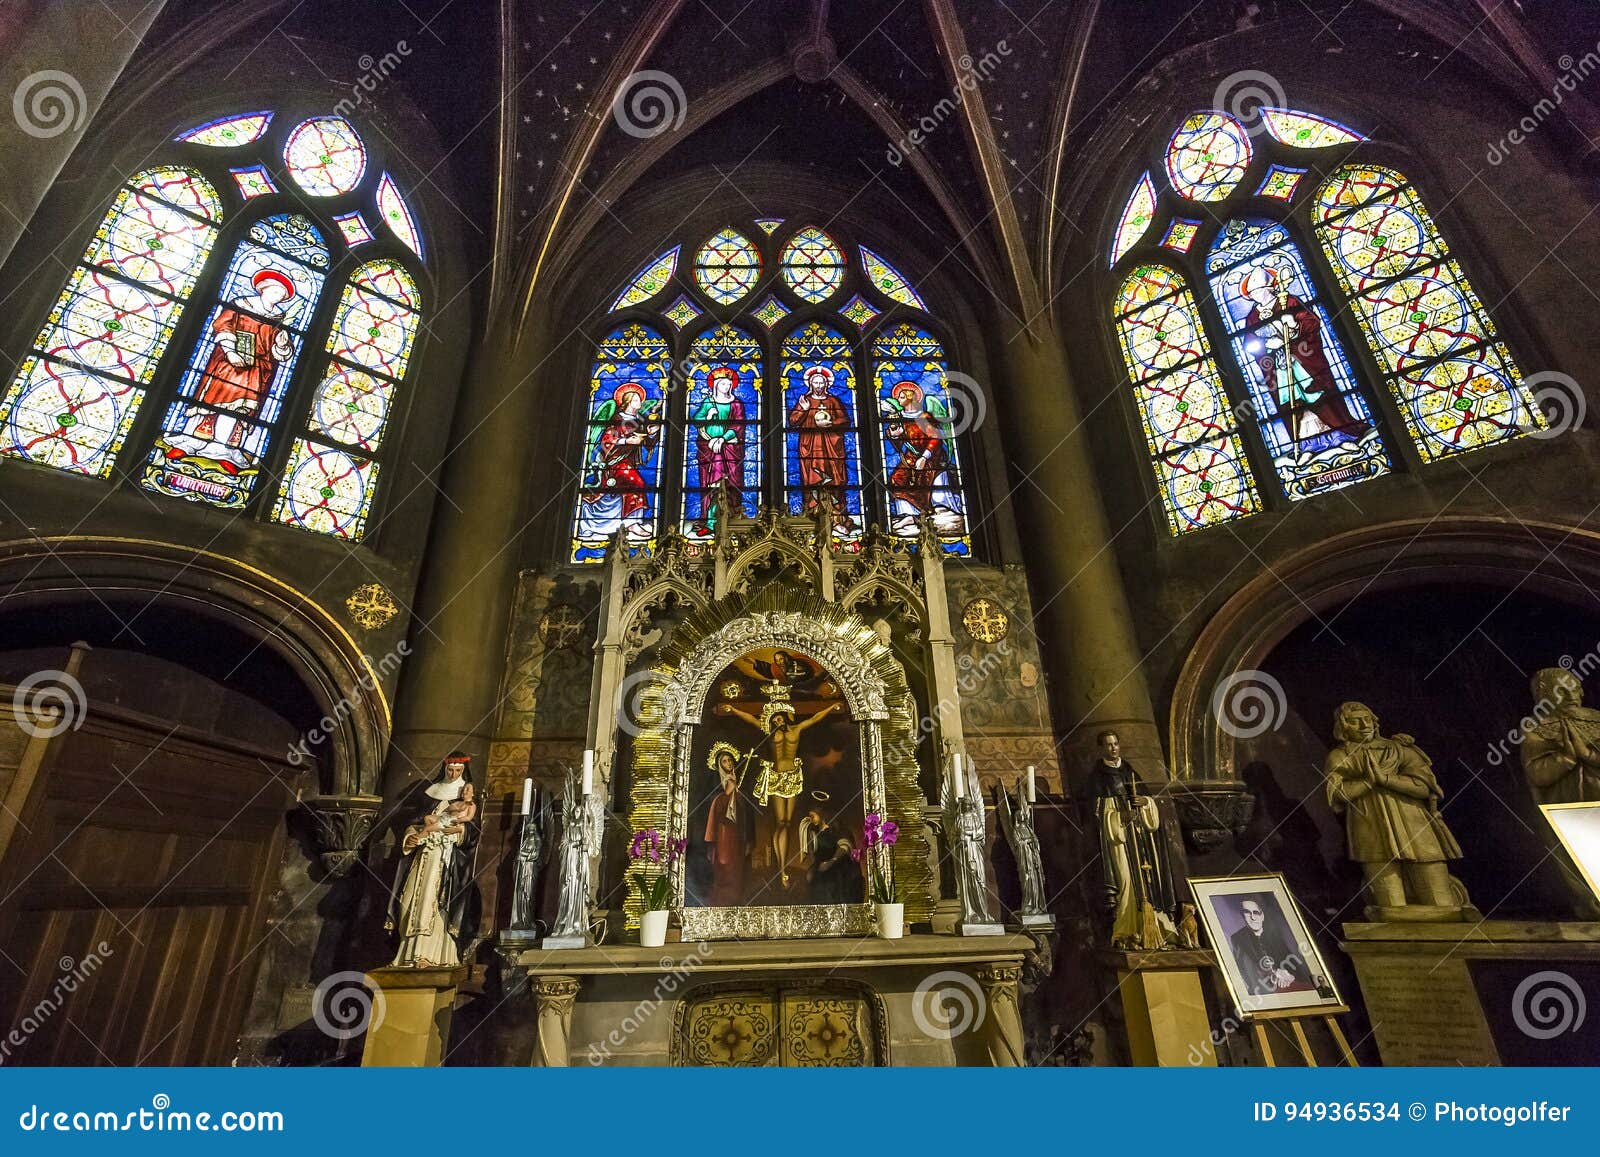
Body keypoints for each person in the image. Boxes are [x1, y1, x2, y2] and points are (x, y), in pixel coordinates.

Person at [1324, 702, 1465, 912]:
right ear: (1343, 727)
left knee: (1440, 901)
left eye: (1368, 719)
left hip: (1417, 829)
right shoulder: (1339, 756)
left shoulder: (1399, 749)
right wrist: (1368, 783)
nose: (1364, 725)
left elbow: (1424, 787)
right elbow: (1336, 794)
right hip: (1371, 831)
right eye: (1355, 721)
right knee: (1391, 906)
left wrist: (1386, 780)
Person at [169, 267, 298, 471]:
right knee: (211, 399)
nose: (278, 298)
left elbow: (277, 351)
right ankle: (191, 441)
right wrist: (231, 352)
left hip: (256, 370)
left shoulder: (278, 319)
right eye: (276, 292)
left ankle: (223, 449)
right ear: (263, 288)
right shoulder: (240, 305)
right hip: (228, 362)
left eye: (282, 296)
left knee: (241, 409)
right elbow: (222, 325)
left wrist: (282, 344)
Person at [715, 699, 842, 888]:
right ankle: (782, 869)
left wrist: (831, 707)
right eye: (774, 721)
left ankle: (782, 867)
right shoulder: (768, 731)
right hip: (776, 778)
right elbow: (751, 719)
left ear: (785, 717)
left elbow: (815, 718)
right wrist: (733, 709)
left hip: (792, 777)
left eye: (779, 719)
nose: (777, 723)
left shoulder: (797, 729)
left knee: (787, 823)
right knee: (780, 822)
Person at [1237, 263, 1365, 448]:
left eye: (1257, 292)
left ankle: (1341, 435)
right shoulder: (1253, 317)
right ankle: (1306, 445)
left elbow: (1312, 322)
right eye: (1252, 294)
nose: (1255, 297)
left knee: (1318, 395)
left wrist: (1295, 327)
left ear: (1269, 288)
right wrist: (1266, 345)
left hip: (1304, 362)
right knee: (1293, 403)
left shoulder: (1289, 302)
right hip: (1279, 368)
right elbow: (1249, 344)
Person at [387, 753, 479, 967]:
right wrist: (412, 838)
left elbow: (471, 830)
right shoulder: (430, 793)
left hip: (445, 860)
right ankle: (407, 952)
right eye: (450, 769)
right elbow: (417, 822)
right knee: (412, 898)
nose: (454, 774)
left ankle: (432, 953)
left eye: (458, 770)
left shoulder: (468, 799)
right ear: (444, 768)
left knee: (435, 899)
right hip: (423, 857)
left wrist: (455, 833)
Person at [1091, 730, 1175, 948]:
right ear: (1101, 748)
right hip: (1119, 841)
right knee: (1126, 880)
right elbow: (1096, 817)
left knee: (1148, 880)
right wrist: (1119, 817)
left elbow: (1148, 802)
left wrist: (1144, 802)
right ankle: (1127, 929)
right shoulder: (1097, 777)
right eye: (1108, 745)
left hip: (1140, 839)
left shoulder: (1129, 771)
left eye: (1116, 743)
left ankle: (1154, 926)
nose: (1113, 748)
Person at [788, 365, 852, 522]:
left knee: (833, 478)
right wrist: (804, 410)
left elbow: (845, 420)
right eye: (815, 383)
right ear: (810, 384)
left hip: (831, 447)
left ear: (826, 384)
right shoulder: (805, 401)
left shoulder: (833, 401)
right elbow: (793, 421)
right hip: (811, 447)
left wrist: (831, 423)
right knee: (812, 477)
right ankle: (812, 512)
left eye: (821, 383)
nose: (818, 386)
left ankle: (836, 514)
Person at [692, 367, 745, 535]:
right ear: (715, 385)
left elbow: (738, 424)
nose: (727, 386)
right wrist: (708, 415)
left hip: (729, 449)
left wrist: (723, 439)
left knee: (730, 483)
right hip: (709, 449)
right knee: (710, 484)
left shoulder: (736, 403)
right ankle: (709, 521)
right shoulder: (708, 402)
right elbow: (696, 419)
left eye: (729, 384)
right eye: (723, 384)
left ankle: (732, 519)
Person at [702, 742, 755, 906]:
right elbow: (712, 809)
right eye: (725, 761)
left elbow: (748, 812)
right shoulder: (715, 785)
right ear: (719, 764)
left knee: (737, 868)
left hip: (738, 833)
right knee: (724, 865)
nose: (729, 763)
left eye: (730, 760)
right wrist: (726, 793)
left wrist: (750, 839)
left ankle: (736, 900)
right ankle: (723, 900)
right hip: (722, 833)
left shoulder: (741, 783)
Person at [1227, 895, 1312, 997]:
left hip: (1291, 986)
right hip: (1264, 992)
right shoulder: (1238, 938)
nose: (1253, 917)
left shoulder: (1277, 933)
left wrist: (1288, 975)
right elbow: (1245, 972)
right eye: (1247, 912)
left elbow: (1295, 966)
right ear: (1242, 915)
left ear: (1262, 915)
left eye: (1256, 912)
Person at [800, 805, 859, 904]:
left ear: (821, 814)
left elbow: (845, 847)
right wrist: (803, 828)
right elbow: (812, 852)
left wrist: (831, 862)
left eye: (813, 816)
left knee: (831, 888)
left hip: (837, 870)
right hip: (821, 870)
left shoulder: (837, 829)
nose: (811, 819)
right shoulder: (815, 833)